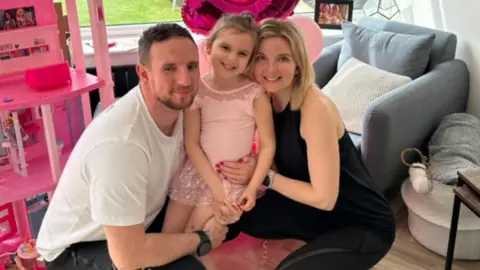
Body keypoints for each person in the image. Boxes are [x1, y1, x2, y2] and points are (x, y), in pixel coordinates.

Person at [35, 23, 229, 270]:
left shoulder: (185, 110)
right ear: (144, 74)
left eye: (191, 66)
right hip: (78, 247)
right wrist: (202, 240)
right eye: (169, 69)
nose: (185, 79)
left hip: (138, 221)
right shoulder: (122, 145)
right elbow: (128, 258)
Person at [215, 18, 397, 269]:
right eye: (261, 58)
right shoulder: (265, 100)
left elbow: (324, 198)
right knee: (232, 217)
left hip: (360, 222)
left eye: (283, 58)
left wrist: (263, 176)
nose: (270, 68)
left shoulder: (315, 109)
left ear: (298, 64)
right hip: (311, 211)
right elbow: (284, 165)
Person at [162, 12, 275, 270]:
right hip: (198, 174)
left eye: (242, 53)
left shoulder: (254, 94)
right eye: (225, 47)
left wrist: (251, 188)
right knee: (168, 239)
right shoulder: (198, 89)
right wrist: (213, 186)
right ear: (209, 47)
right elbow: (192, 143)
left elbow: (268, 144)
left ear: (249, 60)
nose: (232, 58)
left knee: (197, 241)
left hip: (231, 182)